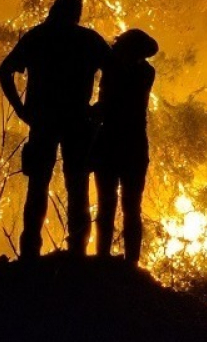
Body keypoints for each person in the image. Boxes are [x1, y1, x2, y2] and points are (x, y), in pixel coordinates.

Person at [0, 0, 110, 260]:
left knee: (38, 185)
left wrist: (21, 109)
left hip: (43, 120)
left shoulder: (38, 37)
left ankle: (30, 255)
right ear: (76, 11)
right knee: (78, 186)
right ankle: (78, 253)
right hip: (78, 121)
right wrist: (101, 106)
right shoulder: (88, 39)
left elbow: (4, 71)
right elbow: (116, 70)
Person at [91, 28, 158, 266]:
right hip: (135, 146)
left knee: (107, 204)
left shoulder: (115, 69)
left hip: (110, 143)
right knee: (131, 207)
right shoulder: (147, 72)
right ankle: (131, 264)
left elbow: (106, 105)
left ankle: (102, 258)